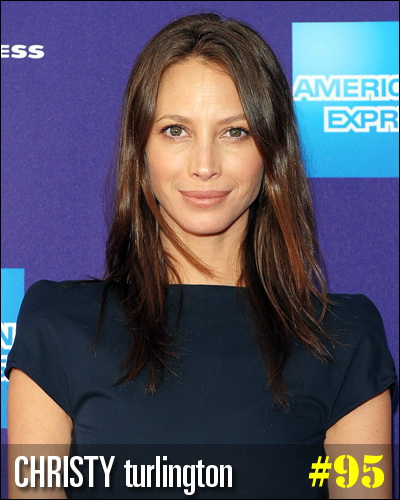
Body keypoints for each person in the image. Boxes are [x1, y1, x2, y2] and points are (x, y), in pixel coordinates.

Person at [6, 12, 397, 499]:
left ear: (272, 152)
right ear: (140, 149)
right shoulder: (56, 330)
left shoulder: (343, 340)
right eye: (176, 130)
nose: (205, 165)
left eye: (235, 132)